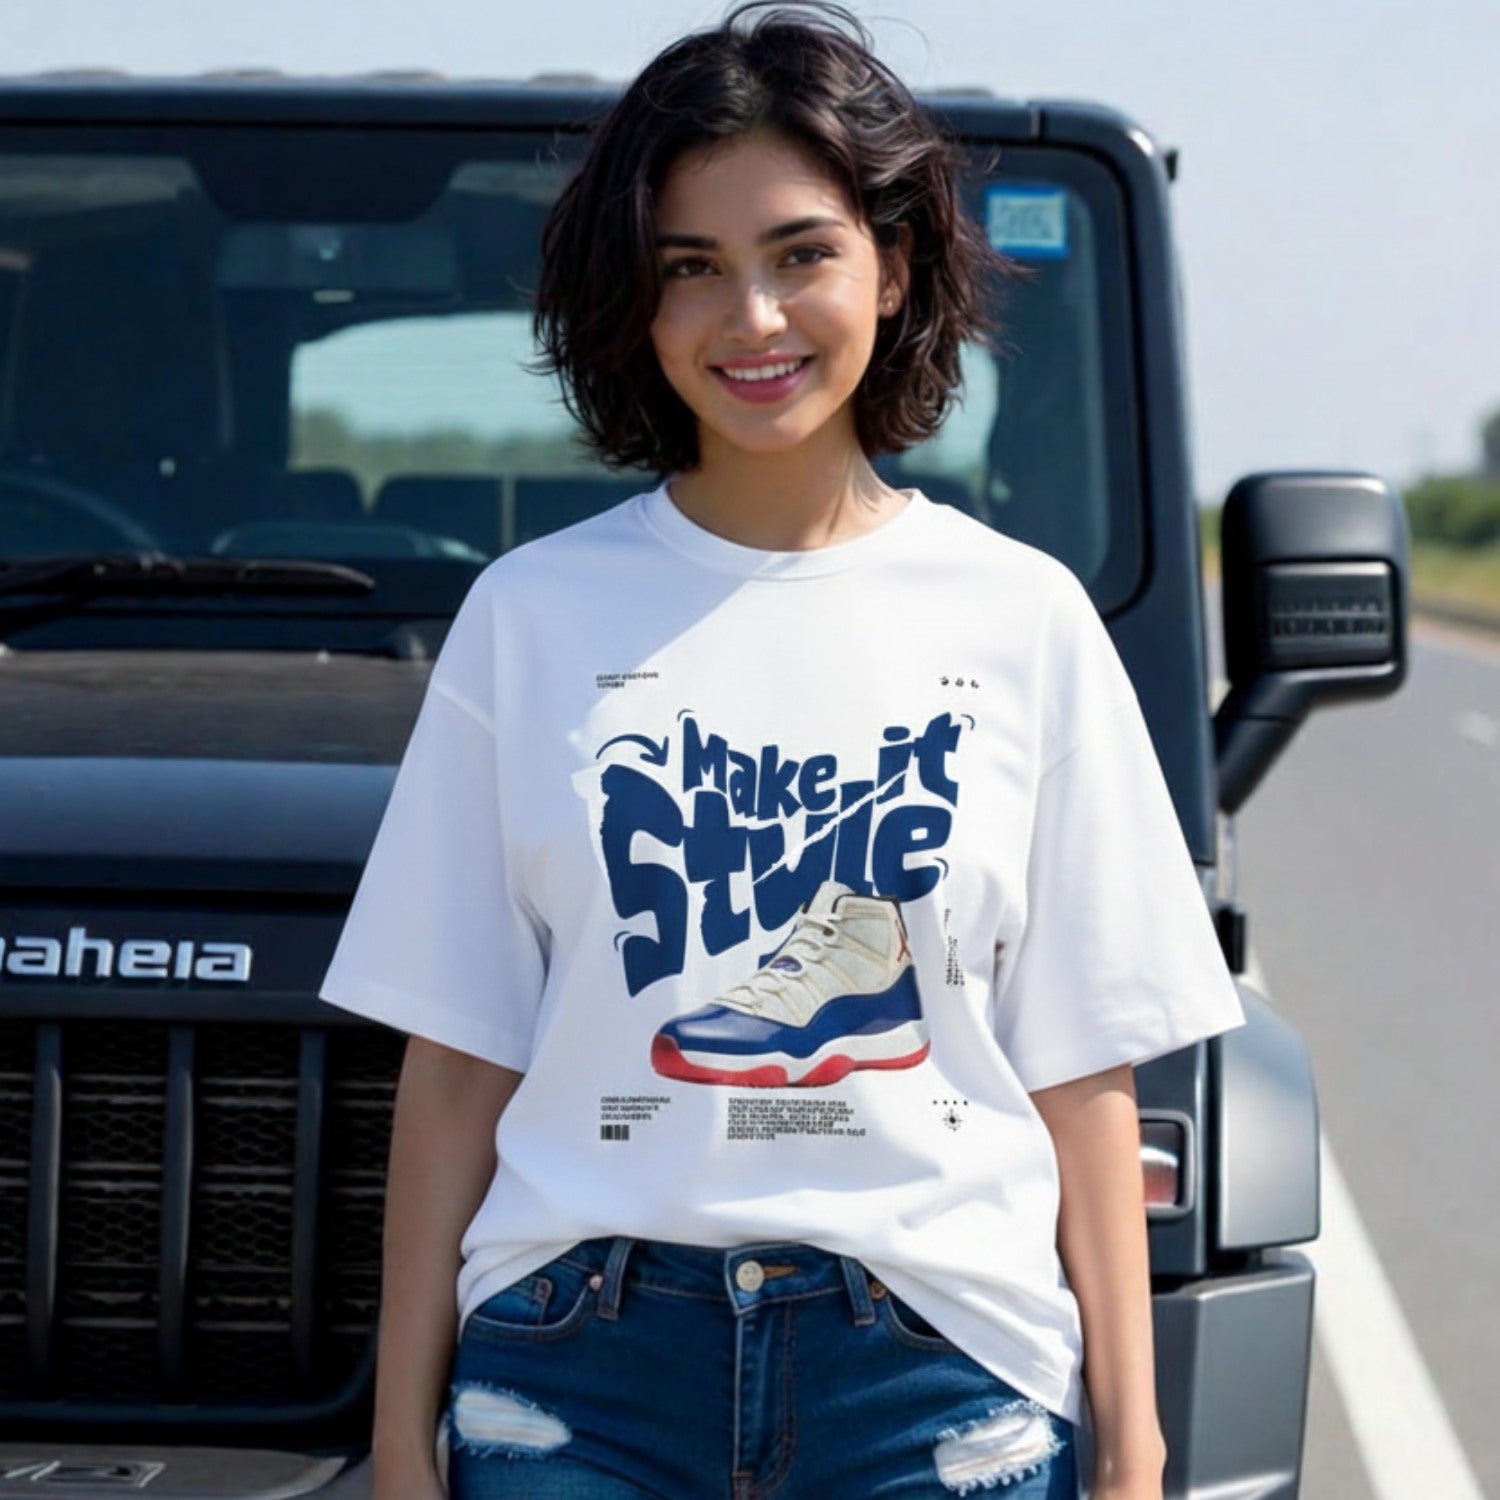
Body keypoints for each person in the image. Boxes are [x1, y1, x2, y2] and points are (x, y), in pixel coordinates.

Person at [317, 4, 1246, 1497]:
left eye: (799, 253)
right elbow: (456, 1065)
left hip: (937, 1377)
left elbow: (1085, 1079)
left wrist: (1134, 1460)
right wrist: (398, 1446)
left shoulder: (1024, 620)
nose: (750, 319)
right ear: (637, 304)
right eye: (693, 269)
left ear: (893, 262)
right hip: (578, 1377)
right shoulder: (531, 618)